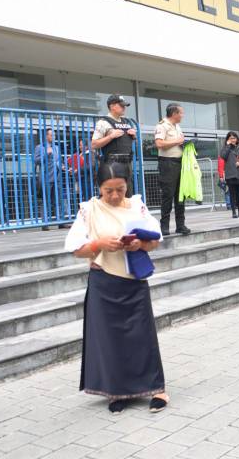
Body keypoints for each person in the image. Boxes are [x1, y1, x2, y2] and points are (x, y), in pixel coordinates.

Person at [64, 163, 168, 414]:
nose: (114, 195)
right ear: (99, 187)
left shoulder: (137, 206)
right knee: (109, 339)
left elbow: (154, 241)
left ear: (127, 186)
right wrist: (99, 243)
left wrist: (140, 244)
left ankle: (157, 388)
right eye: (108, 190)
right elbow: (76, 249)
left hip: (133, 280)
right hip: (104, 282)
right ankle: (116, 391)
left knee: (143, 335)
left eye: (119, 189)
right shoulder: (88, 210)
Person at [154, 103, 190, 236]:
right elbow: (159, 144)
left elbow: (179, 142)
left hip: (179, 163)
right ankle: (164, 227)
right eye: (181, 113)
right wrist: (177, 141)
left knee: (181, 195)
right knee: (168, 195)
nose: (182, 115)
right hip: (167, 163)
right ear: (174, 114)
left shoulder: (177, 126)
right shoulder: (162, 125)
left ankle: (180, 225)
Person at [91, 95, 137, 197]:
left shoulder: (126, 122)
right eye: (121, 105)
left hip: (127, 164)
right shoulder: (103, 122)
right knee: (112, 198)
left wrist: (134, 136)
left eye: (124, 106)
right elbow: (94, 144)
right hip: (112, 165)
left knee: (127, 197)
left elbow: (126, 144)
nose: (124, 108)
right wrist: (111, 136)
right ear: (112, 106)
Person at [35, 128, 69, 231]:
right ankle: (45, 224)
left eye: (54, 135)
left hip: (57, 177)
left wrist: (62, 166)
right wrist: (46, 154)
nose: (53, 137)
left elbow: (58, 161)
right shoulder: (40, 147)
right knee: (45, 201)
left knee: (58, 201)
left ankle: (61, 222)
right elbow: (36, 160)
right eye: (51, 135)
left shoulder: (57, 148)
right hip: (46, 178)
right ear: (46, 136)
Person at [220, 131, 239, 219]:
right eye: (231, 138)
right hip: (230, 174)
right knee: (232, 194)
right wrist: (228, 146)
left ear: (237, 139)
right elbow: (223, 156)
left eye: (234, 138)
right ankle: (233, 212)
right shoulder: (226, 148)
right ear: (228, 139)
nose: (233, 140)